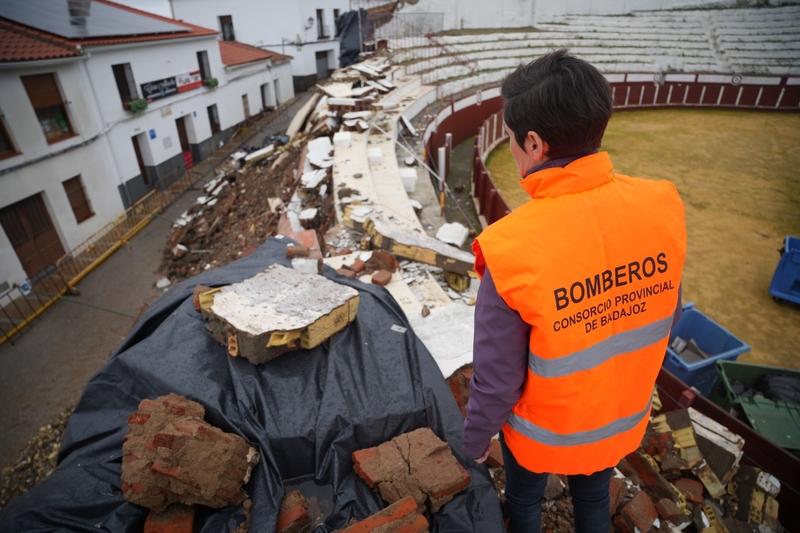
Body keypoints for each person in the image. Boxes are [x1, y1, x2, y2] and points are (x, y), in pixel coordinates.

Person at [462, 49, 687, 533]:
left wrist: (476, 439)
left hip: (540, 436)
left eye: (514, 143)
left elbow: (498, 379)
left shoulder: (510, 246)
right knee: (592, 503)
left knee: (523, 504)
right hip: (618, 421)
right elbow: (668, 311)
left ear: (536, 144)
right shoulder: (660, 204)